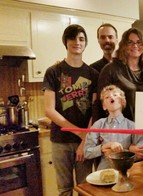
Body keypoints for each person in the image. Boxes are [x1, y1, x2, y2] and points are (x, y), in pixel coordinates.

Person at [42, 24, 99, 196]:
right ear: (66, 42)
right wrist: (79, 133)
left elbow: (95, 111)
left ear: (86, 43)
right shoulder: (53, 72)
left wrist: (85, 139)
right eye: (72, 38)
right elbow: (49, 110)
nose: (77, 42)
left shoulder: (93, 74)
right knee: (64, 189)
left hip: (85, 141)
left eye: (81, 39)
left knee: (86, 187)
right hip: (60, 140)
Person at [92, 27, 143, 123]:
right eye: (130, 42)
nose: (135, 45)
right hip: (119, 129)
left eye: (139, 42)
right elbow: (99, 105)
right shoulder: (110, 69)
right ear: (124, 45)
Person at [84, 85, 143, 170]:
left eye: (115, 95)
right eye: (107, 97)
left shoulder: (133, 126)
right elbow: (87, 152)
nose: (111, 97)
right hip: (104, 171)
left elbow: (140, 154)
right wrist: (103, 147)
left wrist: (123, 151)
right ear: (104, 106)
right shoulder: (98, 125)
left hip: (127, 171)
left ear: (122, 102)